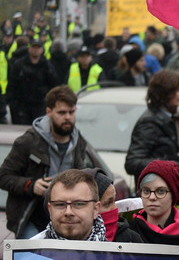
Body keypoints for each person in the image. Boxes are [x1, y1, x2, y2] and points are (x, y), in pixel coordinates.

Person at [0, 85, 102, 238]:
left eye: (71, 112)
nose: (67, 117)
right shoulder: (28, 142)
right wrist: (31, 185)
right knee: (35, 256)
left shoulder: (78, 141)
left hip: (67, 215)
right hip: (31, 217)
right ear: (49, 112)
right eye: (62, 112)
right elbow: (4, 177)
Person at [125, 69, 179, 180]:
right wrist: (168, 163)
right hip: (154, 191)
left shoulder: (171, 117)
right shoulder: (149, 123)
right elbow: (132, 163)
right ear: (166, 93)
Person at [127, 160, 179, 246]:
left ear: (174, 195)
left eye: (161, 191)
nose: (152, 197)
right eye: (146, 191)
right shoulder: (129, 233)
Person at [9, 40, 58, 125]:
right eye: (33, 47)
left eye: (38, 47)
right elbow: (12, 84)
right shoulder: (19, 65)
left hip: (40, 105)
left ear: (42, 50)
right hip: (22, 105)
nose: (35, 50)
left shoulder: (47, 66)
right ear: (29, 49)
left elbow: (53, 84)